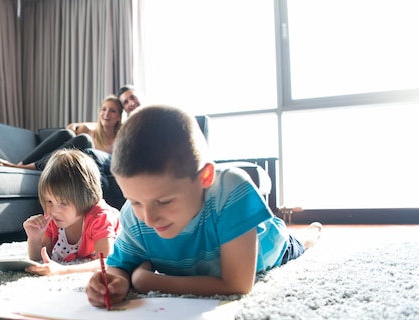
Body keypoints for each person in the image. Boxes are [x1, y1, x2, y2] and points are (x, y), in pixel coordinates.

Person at [85, 105, 322, 306]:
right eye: (135, 201)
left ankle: (310, 236)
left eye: (164, 201)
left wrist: (146, 281)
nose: (148, 218)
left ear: (205, 178)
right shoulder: (133, 216)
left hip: (268, 247)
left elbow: (237, 284)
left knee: (300, 246)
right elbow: (120, 266)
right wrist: (114, 281)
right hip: (201, 263)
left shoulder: (231, 189)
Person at [23, 148, 121, 276]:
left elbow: (107, 262)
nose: (53, 210)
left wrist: (64, 270)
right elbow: (40, 259)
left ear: (86, 197)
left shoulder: (100, 217)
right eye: (49, 201)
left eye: (63, 203)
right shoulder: (54, 219)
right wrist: (34, 238)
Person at [0, 95, 123, 170]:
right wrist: (76, 127)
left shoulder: (121, 137)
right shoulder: (92, 130)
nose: (106, 113)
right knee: (66, 134)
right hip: (70, 163)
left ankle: (28, 167)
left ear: (119, 117)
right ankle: (20, 165)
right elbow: (71, 127)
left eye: (112, 111)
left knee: (84, 140)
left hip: (91, 167)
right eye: (103, 109)